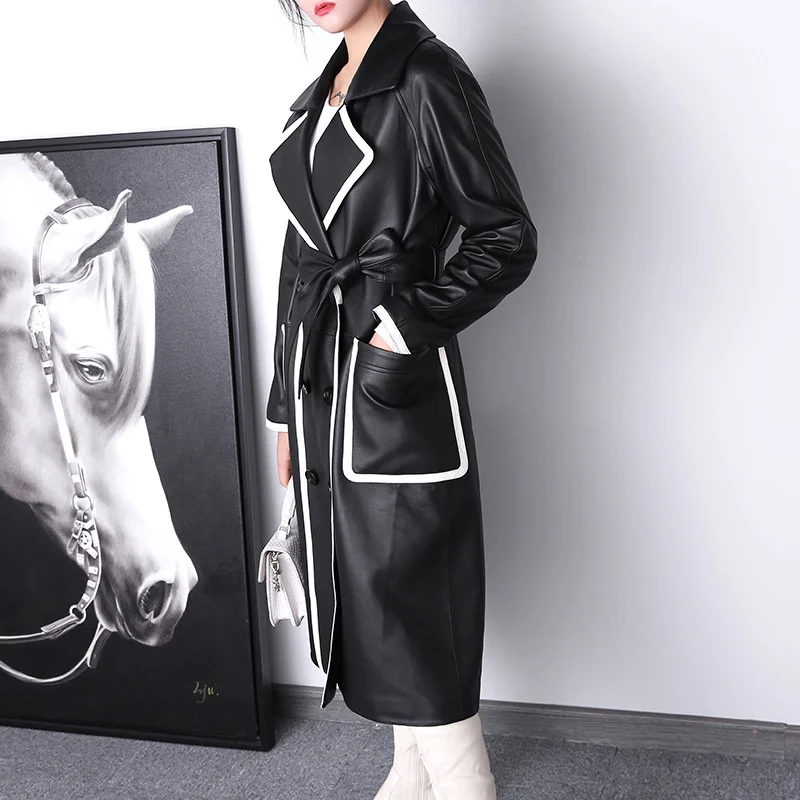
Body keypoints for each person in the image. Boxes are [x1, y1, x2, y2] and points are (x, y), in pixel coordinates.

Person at [267, 1, 538, 797]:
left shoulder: (427, 73)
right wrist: (284, 405)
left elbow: (506, 235)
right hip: (322, 380)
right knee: (365, 589)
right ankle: (410, 771)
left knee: (409, 587)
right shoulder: (320, 96)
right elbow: (299, 265)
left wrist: (402, 327)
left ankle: (464, 778)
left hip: (392, 378)